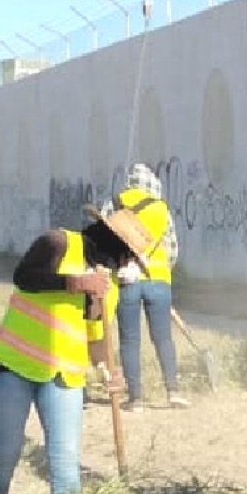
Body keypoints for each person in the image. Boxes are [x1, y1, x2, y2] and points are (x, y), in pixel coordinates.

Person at [0, 204, 154, 494]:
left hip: (64, 378)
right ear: (114, 242)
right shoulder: (58, 242)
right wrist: (76, 282)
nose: (125, 263)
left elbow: (97, 340)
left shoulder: (108, 287)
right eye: (127, 255)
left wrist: (107, 371)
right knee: (3, 457)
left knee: (65, 467)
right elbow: (24, 277)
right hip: (10, 367)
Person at [105, 163, 188, 410]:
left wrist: (118, 266)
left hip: (127, 281)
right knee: (163, 337)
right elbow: (172, 249)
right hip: (158, 280)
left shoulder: (116, 204)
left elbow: (103, 240)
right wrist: (159, 271)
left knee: (130, 340)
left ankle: (136, 398)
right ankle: (173, 391)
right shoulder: (161, 209)